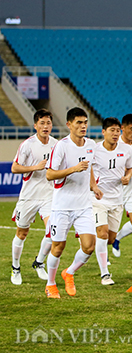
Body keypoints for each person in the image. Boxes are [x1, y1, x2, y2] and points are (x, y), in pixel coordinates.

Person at [45, 107, 103, 299]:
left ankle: (68, 273)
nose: (83, 126)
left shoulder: (91, 145)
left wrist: (93, 185)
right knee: (58, 247)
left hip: (84, 205)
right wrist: (73, 169)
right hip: (62, 206)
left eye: (85, 122)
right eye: (79, 122)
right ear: (69, 125)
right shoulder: (61, 146)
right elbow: (50, 174)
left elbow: (89, 168)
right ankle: (51, 284)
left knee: (89, 246)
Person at [10, 109, 57, 284]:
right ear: (35, 125)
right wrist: (35, 167)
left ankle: (39, 262)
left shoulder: (56, 144)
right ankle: (15, 268)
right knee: (22, 233)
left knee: (54, 231)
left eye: (49, 123)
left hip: (49, 196)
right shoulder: (27, 145)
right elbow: (15, 168)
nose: (46, 126)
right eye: (42, 123)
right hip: (29, 196)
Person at [91, 117, 132, 285]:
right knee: (102, 233)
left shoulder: (127, 150)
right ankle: (105, 274)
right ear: (103, 132)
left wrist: (128, 176)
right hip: (98, 199)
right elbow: (87, 170)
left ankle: (89, 235)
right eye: (112, 130)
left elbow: (131, 166)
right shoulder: (94, 150)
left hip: (117, 200)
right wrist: (94, 186)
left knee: (109, 238)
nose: (116, 134)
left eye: (118, 130)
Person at [112, 114, 132, 257]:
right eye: (131, 129)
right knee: (106, 230)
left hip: (131, 190)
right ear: (122, 128)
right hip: (114, 192)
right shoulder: (114, 144)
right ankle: (104, 260)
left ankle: (117, 239)